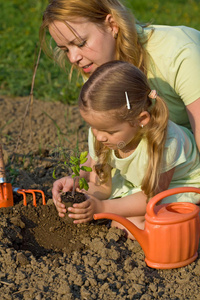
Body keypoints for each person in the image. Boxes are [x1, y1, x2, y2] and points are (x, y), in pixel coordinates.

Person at [39, 0, 200, 203]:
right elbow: (108, 138)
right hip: (162, 162)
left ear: (112, 25)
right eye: (65, 49)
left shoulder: (179, 53)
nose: (73, 58)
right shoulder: (97, 64)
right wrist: (79, 176)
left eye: (80, 43)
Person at [51, 61, 200, 239]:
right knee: (120, 221)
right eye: (93, 127)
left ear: (141, 119)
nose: (99, 137)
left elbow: (151, 197)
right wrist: (76, 190)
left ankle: (192, 219)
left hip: (176, 185)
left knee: (127, 226)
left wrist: (102, 208)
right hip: (136, 183)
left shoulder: (166, 142)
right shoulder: (102, 135)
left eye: (110, 131)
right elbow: (102, 187)